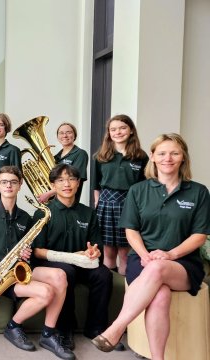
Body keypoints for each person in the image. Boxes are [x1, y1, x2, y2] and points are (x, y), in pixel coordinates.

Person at [92, 134, 210, 360]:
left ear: (183, 157)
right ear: (153, 157)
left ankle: (116, 328)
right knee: (160, 295)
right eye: (162, 153)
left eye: (175, 153)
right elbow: (131, 230)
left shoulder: (198, 192)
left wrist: (170, 254)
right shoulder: (138, 190)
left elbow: (199, 235)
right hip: (142, 259)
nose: (168, 158)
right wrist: (146, 255)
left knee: (158, 269)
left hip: (183, 263)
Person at [0, 166, 74, 359]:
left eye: (13, 182)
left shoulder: (25, 217)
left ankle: (48, 334)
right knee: (46, 292)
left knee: (60, 275)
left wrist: (27, 252)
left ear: (20, 185)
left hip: (20, 269)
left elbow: (29, 250)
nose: (8, 185)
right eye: (4, 182)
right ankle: (13, 326)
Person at [33, 164, 112, 351]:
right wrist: (69, 257)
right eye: (60, 180)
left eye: (71, 179)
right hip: (53, 265)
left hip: (82, 263)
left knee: (104, 274)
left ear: (78, 183)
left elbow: (96, 246)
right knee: (66, 271)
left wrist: (94, 251)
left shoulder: (88, 213)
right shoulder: (43, 212)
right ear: (53, 185)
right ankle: (64, 329)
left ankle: (96, 328)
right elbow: (37, 251)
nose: (66, 184)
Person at [92, 114, 148, 275]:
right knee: (108, 252)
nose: (118, 132)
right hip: (106, 204)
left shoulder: (141, 156)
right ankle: (110, 290)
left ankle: (124, 292)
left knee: (125, 253)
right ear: (108, 133)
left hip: (130, 204)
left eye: (123, 128)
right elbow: (96, 184)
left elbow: (145, 184)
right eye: (113, 129)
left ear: (131, 131)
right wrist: (98, 203)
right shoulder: (100, 156)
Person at [37, 122, 89, 203]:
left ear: (74, 135)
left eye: (69, 132)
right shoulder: (56, 157)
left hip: (69, 202)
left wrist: (49, 194)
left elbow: (73, 181)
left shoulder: (80, 154)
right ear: (58, 137)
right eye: (61, 133)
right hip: (54, 202)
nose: (65, 135)